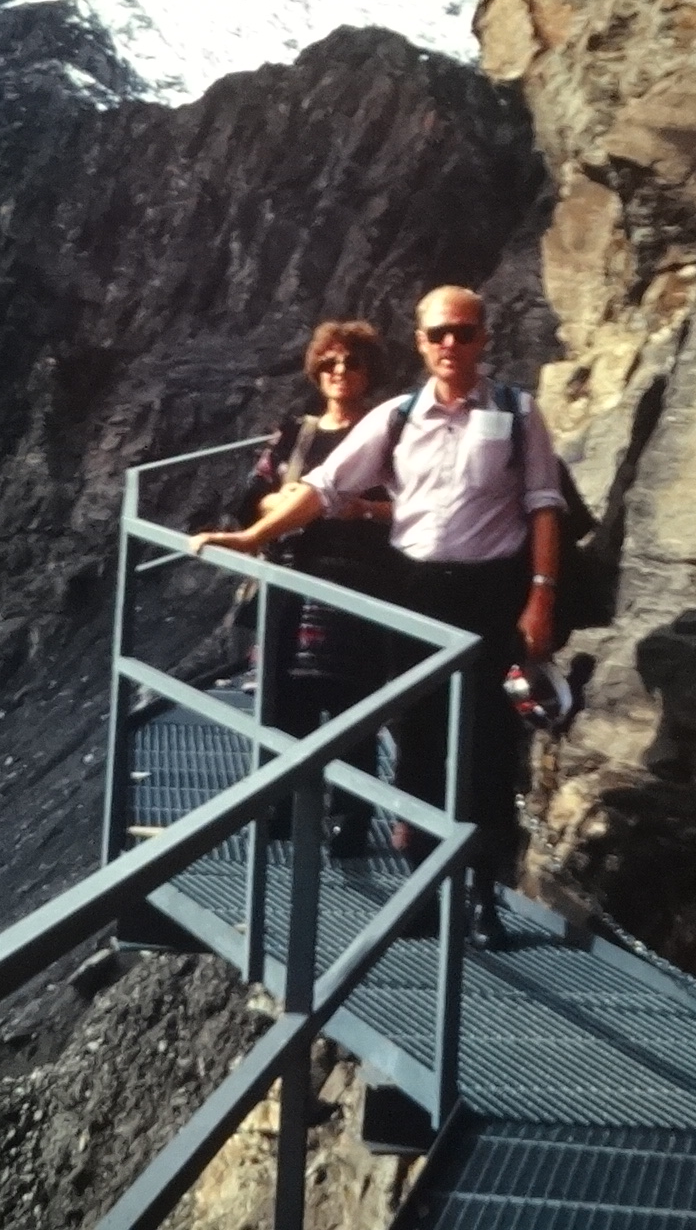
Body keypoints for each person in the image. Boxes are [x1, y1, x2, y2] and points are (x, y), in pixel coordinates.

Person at [194, 285, 560, 947]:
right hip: (414, 592)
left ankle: (483, 898)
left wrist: (540, 596)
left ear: (483, 336)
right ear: (420, 342)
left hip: (490, 594)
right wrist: (253, 538)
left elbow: (543, 505)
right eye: (439, 333)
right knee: (419, 742)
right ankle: (424, 894)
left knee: (485, 745)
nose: (452, 344)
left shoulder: (518, 412)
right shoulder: (395, 417)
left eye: (464, 332)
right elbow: (325, 487)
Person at [231, 320, 396, 857]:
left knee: (354, 706)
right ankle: (282, 809)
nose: (339, 372)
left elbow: (419, 504)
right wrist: (287, 506)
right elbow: (251, 495)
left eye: (351, 362)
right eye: (329, 363)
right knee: (285, 698)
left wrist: (361, 509)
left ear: (369, 371)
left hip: (359, 585)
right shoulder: (295, 432)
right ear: (315, 370)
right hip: (290, 579)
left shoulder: (388, 432)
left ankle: (350, 819)